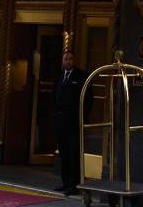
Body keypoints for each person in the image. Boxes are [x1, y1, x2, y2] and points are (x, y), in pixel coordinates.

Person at [53, 51, 87, 196]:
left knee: (74, 154)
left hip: (74, 123)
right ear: (62, 61)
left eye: (70, 59)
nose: (68, 61)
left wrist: (81, 117)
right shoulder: (60, 77)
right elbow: (55, 98)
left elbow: (87, 99)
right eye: (65, 59)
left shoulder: (80, 76)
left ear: (74, 61)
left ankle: (74, 185)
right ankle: (65, 183)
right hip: (61, 123)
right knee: (64, 154)